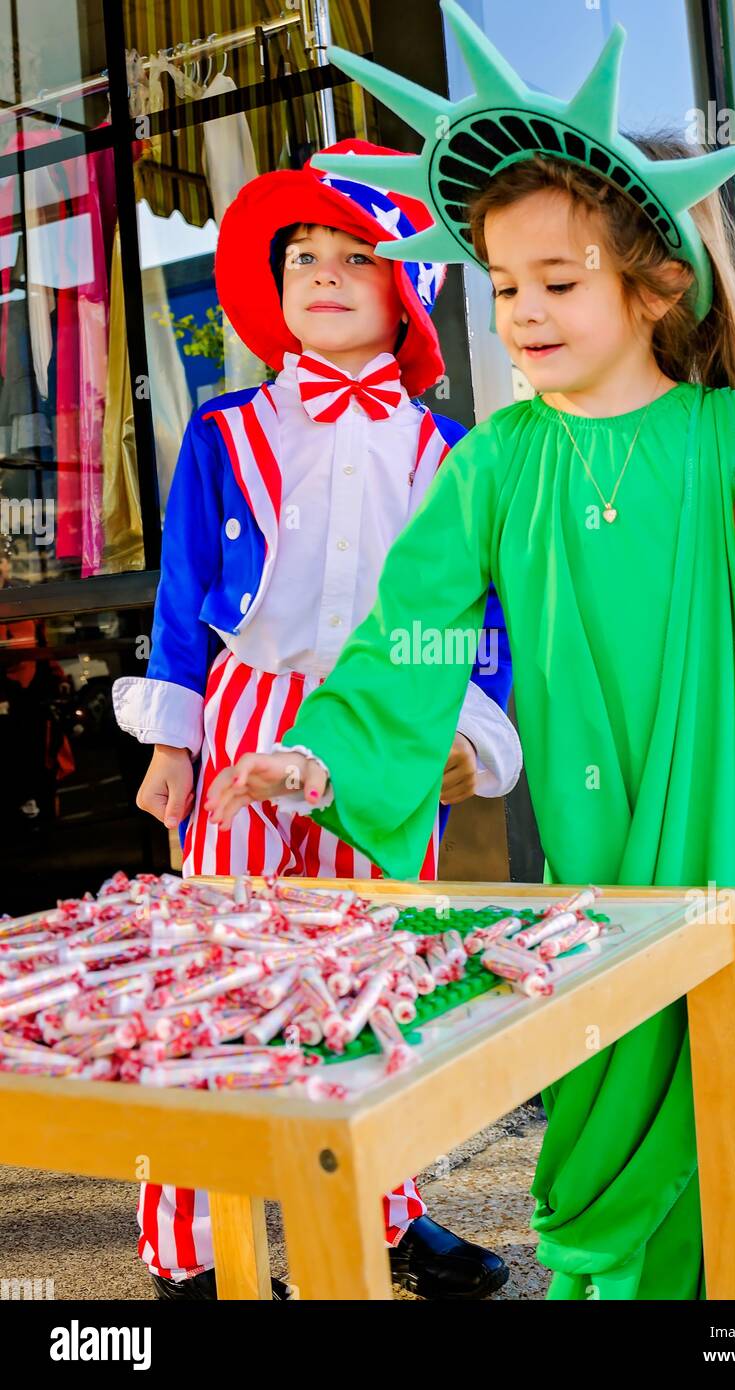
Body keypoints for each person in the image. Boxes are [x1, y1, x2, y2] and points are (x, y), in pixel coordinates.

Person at [205, 12, 735, 1300]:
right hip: (594, 878)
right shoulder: (492, 465)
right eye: (504, 286)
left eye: (558, 283)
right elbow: (412, 637)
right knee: (606, 1143)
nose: (522, 314)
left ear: (656, 286)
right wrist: (314, 752)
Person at [112, 139, 521, 1301]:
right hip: (246, 716)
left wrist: (472, 734)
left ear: (410, 291)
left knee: (375, 970)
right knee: (221, 971)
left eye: (358, 252)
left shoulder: (455, 456)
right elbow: (184, 597)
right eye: (303, 252)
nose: (324, 270)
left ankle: (387, 1207)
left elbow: (481, 614)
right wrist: (171, 741)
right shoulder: (224, 431)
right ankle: (192, 1242)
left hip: (387, 726)